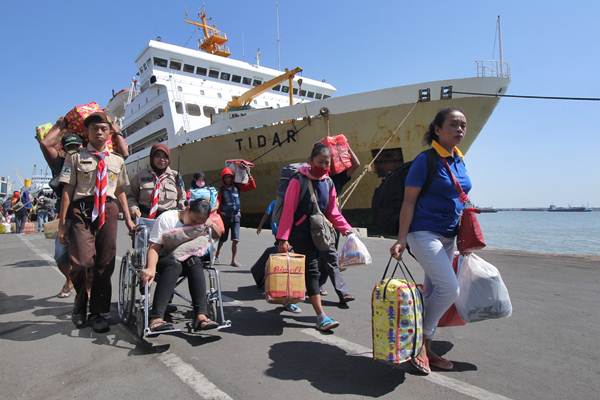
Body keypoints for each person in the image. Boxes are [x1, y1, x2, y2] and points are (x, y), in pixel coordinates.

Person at [390, 107, 471, 374]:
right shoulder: (425, 160)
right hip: (423, 233)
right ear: (437, 129)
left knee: (434, 290)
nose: (460, 129)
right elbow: (408, 201)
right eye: (453, 124)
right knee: (450, 289)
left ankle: (415, 338)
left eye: (463, 125)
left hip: (449, 237)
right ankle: (421, 342)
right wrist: (401, 239)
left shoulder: (459, 159)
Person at [58, 111, 135, 333]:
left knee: (105, 264)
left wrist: (128, 219)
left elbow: (120, 191)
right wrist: (62, 223)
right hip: (82, 210)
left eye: (103, 129)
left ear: (110, 132)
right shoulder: (74, 157)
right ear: (87, 132)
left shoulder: (117, 160)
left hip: (108, 210)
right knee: (81, 261)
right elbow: (67, 190)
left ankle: (98, 312)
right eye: (94, 129)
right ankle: (80, 303)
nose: (99, 132)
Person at [276, 143, 353, 332]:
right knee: (312, 271)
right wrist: (282, 238)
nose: (324, 166)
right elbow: (288, 211)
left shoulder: (328, 183)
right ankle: (321, 316)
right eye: (320, 162)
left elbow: (333, 211)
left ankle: (289, 299)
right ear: (311, 161)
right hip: (300, 234)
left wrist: (347, 230)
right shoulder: (297, 181)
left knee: (309, 270)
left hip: (320, 233)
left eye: (327, 163)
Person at [140, 199, 220, 332]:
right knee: (174, 264)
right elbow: (154, 247)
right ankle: (156, 318)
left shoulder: (202, 221)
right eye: (193, 221)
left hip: (187, 258)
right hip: (164, 259)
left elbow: (218, 235)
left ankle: (201, 316)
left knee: (195, 262)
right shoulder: (167, 219)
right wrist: (151, 268)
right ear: (187, 209)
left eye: (199, 222)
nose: (196, 224)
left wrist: (211, 224)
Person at [39, 118, 84, 297]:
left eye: (76, 147)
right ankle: (70, 278)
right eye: (69, 147)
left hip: (85, 213)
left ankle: (85, 294)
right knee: (60, 256)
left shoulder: (89, 160)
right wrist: (61, 126)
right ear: (63, 149)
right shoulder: (59, 163)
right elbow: (45, 144)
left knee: (84, 257)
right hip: (64, 214)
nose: (73, 151)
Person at [256, 199, 301, 314]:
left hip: (290, 233)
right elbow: (267, 214)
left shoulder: (293, 200)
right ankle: (286, 299)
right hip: (281, 235)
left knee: (286, 262)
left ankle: (285, 296)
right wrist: (260, 225)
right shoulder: (276, 202)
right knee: (284, 263)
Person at [127, 143, 185, 220]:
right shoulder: (140, 176)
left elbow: (182, 196)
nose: (162, 159)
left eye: (165, 157)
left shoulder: (175, 176)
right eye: (158, 156)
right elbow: (131, 196)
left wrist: (182, 206)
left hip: (169, 220)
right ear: (152, 158)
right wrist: (134, 208)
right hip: (146, 219)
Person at [215, 166, 256, 267]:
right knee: (222, 239)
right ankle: (216, 256)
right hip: (225, 217)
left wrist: (249, 174)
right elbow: (218, 203)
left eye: (229, 177)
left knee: (235, 240)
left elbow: (252, 186)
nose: (228, 179)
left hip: (236, 216)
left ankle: (233, 260)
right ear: (223, 179)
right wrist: (217, 215)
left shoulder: (237, 187)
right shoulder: (222, 190)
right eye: (226, 177)